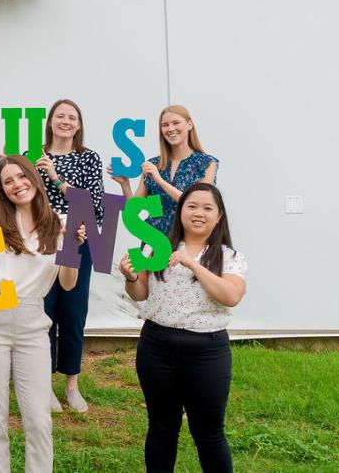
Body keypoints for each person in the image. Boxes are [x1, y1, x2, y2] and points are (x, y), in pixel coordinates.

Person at [0, 156, 84, 473]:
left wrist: (72, 248)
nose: (17, 184)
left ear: (34, 178)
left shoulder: (59, 223)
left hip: (33, 323)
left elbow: (68, 284)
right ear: (2, 189)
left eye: (22, 176)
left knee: (38, 419)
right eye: (8, 181)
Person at [120, 183, 247, 473]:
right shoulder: (155, 245)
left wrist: (193, 263)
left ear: (219, 217)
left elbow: (231, 296)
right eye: (191, 206)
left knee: (209, 433)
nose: (198, 213)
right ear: (180, 212)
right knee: (161, 427)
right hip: (156, 345)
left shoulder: (229, 256)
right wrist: (130, 277)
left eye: (207, 208)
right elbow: (140, 294)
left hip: (207, 351)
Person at [28, 99, 104, 413]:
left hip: (77, 237)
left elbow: (93, 205)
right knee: (44, 311)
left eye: (72, 117)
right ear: (50, 121)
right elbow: (24, 196)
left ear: (79, 124)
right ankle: (44, 386)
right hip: (43, 240)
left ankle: (72, 385)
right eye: (60, 116)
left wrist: (57, 177)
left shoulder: (88, 158)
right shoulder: (34, 155)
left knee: (73, 312)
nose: (66, 121)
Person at [109, 105, 218, 234]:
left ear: (189, 124)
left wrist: (160, 181)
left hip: (188, 239)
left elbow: (197, 202)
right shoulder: (153, 164)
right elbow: (134, 210)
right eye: (165, 125)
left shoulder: (207, 163)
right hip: (155, 243)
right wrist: (125, 184)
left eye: (176, 123)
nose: (171, 129)